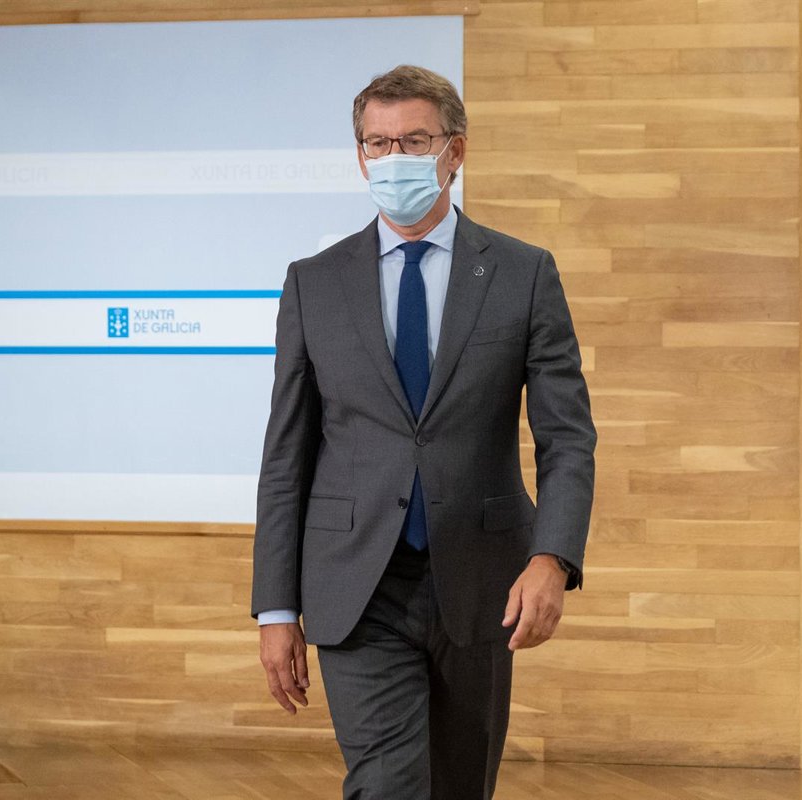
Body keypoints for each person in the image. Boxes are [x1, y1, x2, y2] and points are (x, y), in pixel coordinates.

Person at [251, 65, 596, 799]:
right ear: (360, 156)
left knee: (460, 786)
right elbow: (286, 456)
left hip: (481, 580)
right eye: (377, 143)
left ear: (454, 151)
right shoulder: (314, 282)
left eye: (413, 141)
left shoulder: (524, 274)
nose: (393, 157)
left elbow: (567, 437)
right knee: (387, 786)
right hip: (355, 585)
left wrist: (553, 558)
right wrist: (276, 608)